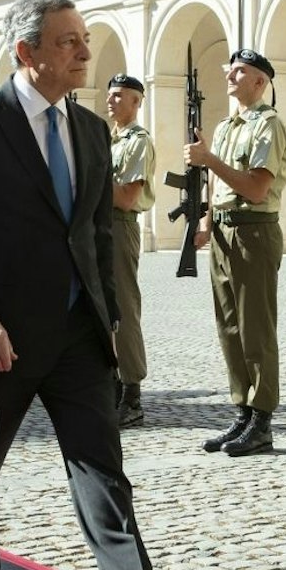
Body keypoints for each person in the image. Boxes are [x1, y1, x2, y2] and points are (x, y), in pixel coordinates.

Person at [0, 0, 194, 570]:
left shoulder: (93, 131)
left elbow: (97, 233)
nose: (84, 50)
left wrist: (109, 315)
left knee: (102, 465)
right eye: (68, 40)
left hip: (77, 333)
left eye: (85, 37)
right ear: (27, 52)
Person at [187, 48, 286, 457]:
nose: (231, 75)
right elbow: (220, 186)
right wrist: (208, 220)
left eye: (240, 71)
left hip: (255, 232)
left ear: (260, 82)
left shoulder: (268, 125)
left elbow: (256, 188)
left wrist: (208, 158)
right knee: (229, 327)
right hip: (227, 233)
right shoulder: (228, 126)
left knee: (255, 329)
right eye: (230, 69)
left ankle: (262, 419)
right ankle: (243, 411)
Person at [105, 74, 156, 427]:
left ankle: (132, 394)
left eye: (120, 96)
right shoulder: (107, 140)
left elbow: (126, 197)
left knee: (123, 308)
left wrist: (90, 174)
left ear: (137, 102)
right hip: (96, 228)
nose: (111, 101)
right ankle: (109, 387)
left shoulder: (138, 142)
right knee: (99, 311)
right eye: (109, 95)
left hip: (119, 227)